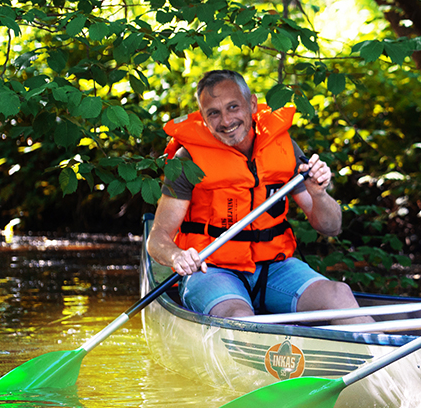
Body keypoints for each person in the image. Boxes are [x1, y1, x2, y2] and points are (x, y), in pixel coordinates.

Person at [146, 69, 361, 320]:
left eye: (233, 107)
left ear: (252, 103)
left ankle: (383, 357)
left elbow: (331, 227)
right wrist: (177, 255)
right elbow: (157, 239)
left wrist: (320, 195)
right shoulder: (188, 159)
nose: (226, 121)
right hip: (211, 269)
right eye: (213, 113)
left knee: (339, 294)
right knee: (239, 316)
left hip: (274, 267)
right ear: (203, 119)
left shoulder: (283, 147)